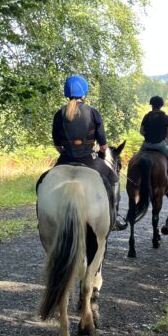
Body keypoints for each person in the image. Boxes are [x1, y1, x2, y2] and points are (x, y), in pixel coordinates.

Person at [51, 74, 118, 228]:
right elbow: (103, 144)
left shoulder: (59, 114)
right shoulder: (93, 112)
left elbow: (57, 143)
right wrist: (102, 151)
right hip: (88, 158)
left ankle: (45, 220)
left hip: (65, 158)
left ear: (66, 93)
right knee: (113, 178)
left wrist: (65, 154)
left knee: (44, 181)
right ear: (84, 93)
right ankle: (113, 216)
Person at [139, 95, 168, 186]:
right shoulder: (166, 117)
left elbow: (141, 131)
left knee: (135, 159)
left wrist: (148, 136)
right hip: (160, 145)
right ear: (161, 105)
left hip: (146, 145)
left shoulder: (146, 116)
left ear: (151, 105)